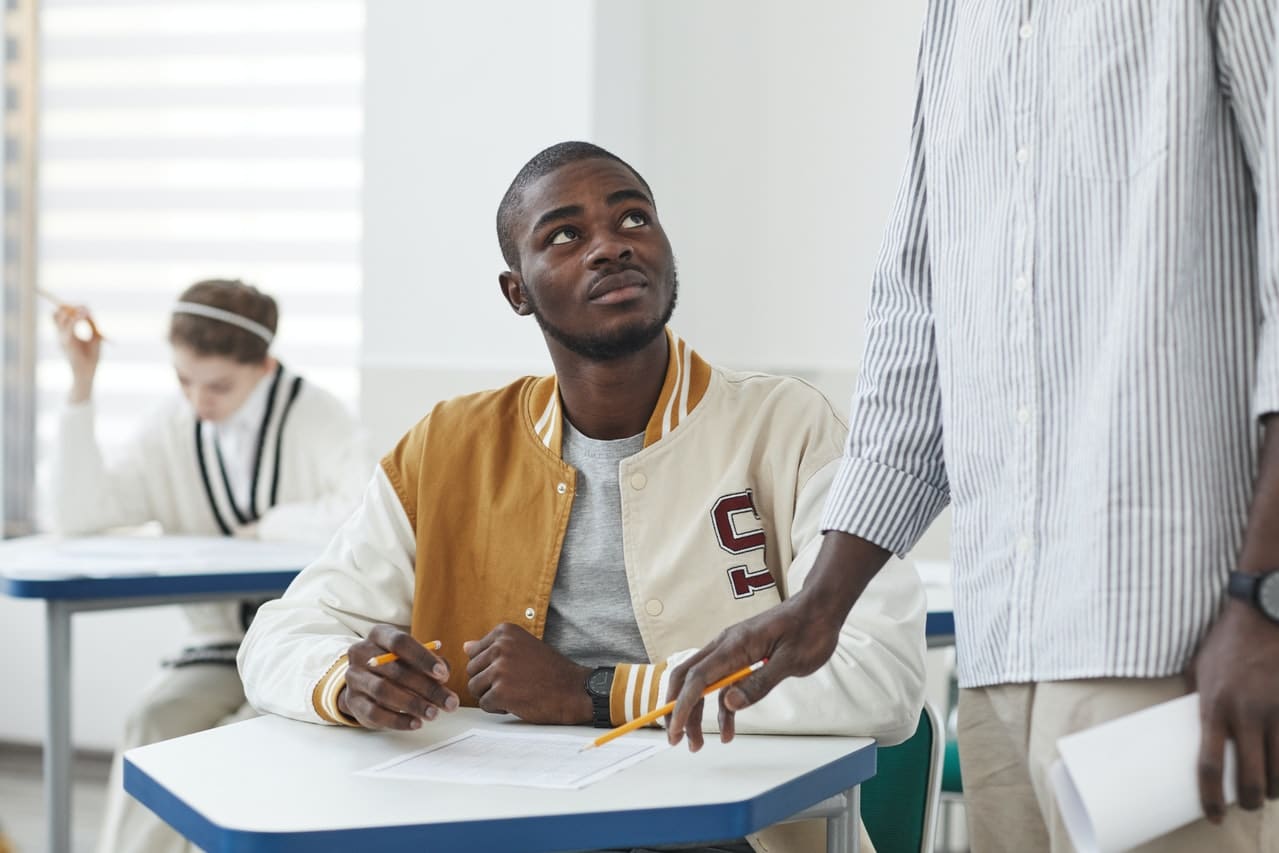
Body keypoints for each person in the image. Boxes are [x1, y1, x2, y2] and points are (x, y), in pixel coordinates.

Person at [665, 4, 1279, 852]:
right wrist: (820, 601)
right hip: (1001, 652)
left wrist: (1265, 601)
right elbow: (916, 324)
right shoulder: (958, 17)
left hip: (1181, 644)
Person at [238, 141, 927, 853]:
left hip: (730, 833)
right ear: (517, 291)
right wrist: (346, 683)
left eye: (633, 220)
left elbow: (882, 678)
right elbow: (280, 636)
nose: (609, 247)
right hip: (499, 827)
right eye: (564, 234)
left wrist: (597, 692)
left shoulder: (786, 425)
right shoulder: (447, 445)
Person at [49, 279, 368, 853]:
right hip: (220, 649)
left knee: (236, 741)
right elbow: (79, 513)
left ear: (265, 366)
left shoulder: (317, 416)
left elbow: (364, 512)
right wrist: (81, 384)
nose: (199, 401)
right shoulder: (171, 426)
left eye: (219, 386)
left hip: (305, 650)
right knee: (154, 720)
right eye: (184, 380)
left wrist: (266, 526)